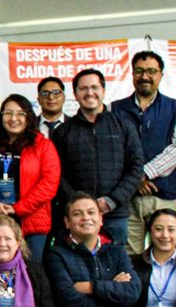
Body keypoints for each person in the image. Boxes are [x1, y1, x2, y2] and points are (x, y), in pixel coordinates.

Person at [44, 192, 139, 307]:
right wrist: (113, 292)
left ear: (101, 219)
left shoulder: (116, 252)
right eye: (78, 213)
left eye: (91, 212)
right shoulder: (56, 256)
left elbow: (132, 293)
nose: (85, 218)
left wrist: (92, 287)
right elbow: (70, 302)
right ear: (67, 222)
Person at [51, 68, 144, 245]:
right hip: (77, 217)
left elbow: (136, 167)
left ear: (103, 90)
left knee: (116, 267)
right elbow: (56, 174)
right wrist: (80, 205)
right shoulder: (62, 132)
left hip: (114, 215)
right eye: (83, 88)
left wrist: (112, 200)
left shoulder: (123, 127)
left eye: (94, 87)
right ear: (75, 94)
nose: (89, 93)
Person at [112, 51, 176, 256]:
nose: (145, 76)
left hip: (167, 196)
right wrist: (134, 179)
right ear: (132, 74)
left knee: (171, 252)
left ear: (161, 75)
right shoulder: (115, 109)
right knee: (129, 256)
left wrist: (143, 172)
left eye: (151, 71)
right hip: (129, 197)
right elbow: (112, 152)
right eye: (139, 71)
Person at [0, 94, 60, 260]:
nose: (13, 118)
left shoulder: (43, 145)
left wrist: (19, 208)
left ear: (29, 117)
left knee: (30, 273)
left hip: (32, 221)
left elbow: (49, 184)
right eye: (8, 113)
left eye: (20, 114)